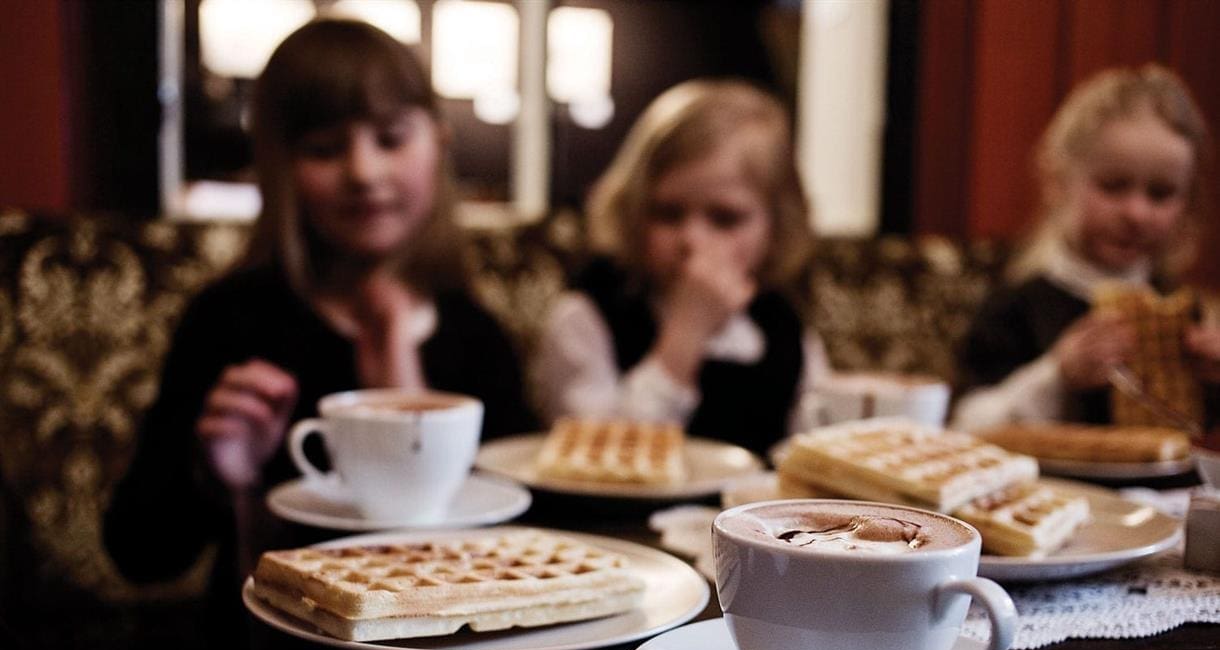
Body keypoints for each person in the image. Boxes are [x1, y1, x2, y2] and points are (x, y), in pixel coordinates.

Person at [105, 19, 535, 586]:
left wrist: (405, 394)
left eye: (391, 139)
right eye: (325, 149)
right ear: (278, 168)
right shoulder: (231, 321)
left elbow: (531, 536)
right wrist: (216, 474)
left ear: (439, 143)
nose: (363, 172)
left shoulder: (475, 334)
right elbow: (139, 554)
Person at [531, 79, 828, 455]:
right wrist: (685, 335)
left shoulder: (787, 328)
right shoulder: (587, 316)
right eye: (668, 214)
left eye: (725, 218)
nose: (692, 240)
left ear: (776, 226)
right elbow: (600, 458)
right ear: (634, 211)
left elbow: (813, 450)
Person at [953, 63, 1217, 431]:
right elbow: (965, 423)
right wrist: (1056, 377)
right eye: (1113, 186)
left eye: (1161, 194)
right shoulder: (1017, 306)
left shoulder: (1187, 311)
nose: (1137, 213)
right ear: (1059, 183)